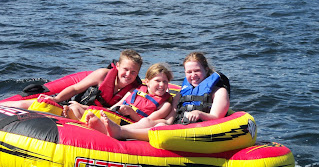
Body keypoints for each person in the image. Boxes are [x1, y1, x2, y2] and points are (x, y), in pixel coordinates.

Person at [86, 52, 230, 142]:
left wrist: (199, 113)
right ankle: (114, 130)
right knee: (151, 121)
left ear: (206, 70)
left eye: (197, 71)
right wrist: (166, 123)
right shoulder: (182, 93)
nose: (193, 76)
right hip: (179, 126)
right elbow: (172, 115)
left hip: (200, 131)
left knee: (161, 127)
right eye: (189, 72)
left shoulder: (218, 92)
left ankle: (120, 132)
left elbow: (217, 118)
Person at [0, 49, 143, 120]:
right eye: (126, 70)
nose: (128, 75)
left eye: (133, 72)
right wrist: (56, 99)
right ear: (117, 66)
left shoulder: (133, 89)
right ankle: (4, 105)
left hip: (89, 113)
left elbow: (114, 111)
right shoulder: (102, 75)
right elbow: (75, 88)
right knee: (37, 104)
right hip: (70, 104)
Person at [85, 63, 173, 133]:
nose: (162, 85)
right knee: (77, 107)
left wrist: (131, 113)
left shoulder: (165, 105)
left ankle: (103, 128)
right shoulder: (135, 90)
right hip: (117, 115)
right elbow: (113, 107)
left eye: (165, 82)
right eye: (158, 81)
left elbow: (146, 123)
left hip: (131, 125)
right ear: (147, 82)